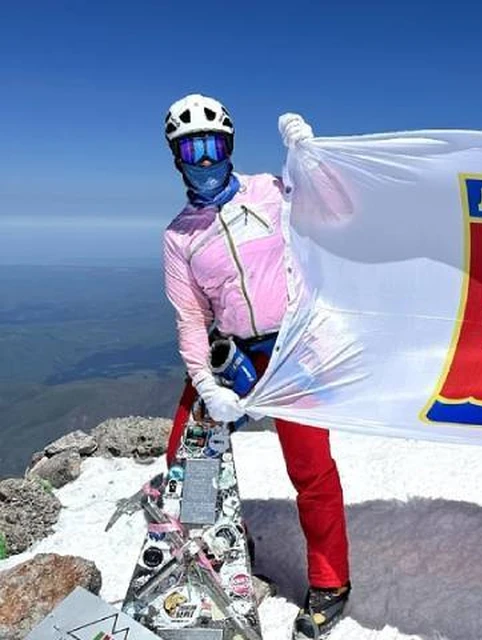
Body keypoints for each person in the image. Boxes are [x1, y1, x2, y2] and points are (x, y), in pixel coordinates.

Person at [161, 93, 352, 639]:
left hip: (292, 350)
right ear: (176, 155)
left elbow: (338, 212)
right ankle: (217, 549)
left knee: (311, 469)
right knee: (186, 455)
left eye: (213, 145)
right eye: (192, 148)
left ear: (230, 146)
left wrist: (313, 160)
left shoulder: (270, 190)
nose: (204, 160)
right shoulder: (178, 236)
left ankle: (330, 581)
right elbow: (190, 320)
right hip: (232, 353)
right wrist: (203, 382)